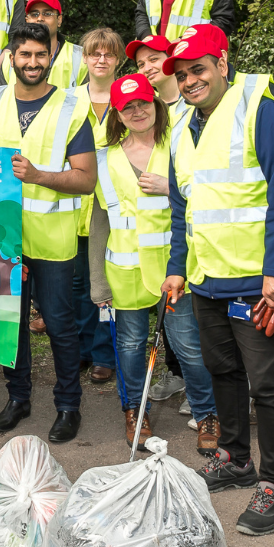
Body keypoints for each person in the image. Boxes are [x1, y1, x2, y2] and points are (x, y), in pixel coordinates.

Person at [163, 24, 274, 536]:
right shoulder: (182, 127)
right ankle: (235, 458)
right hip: (207, 279)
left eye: (198, 69)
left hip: (258, 282)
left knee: (266, 385)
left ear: (222, 63)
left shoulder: (261, 107)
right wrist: (178, 267)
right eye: (181, 75)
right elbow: (183, 206)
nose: (190, 81)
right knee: (223, 373)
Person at [0, 23, 97, 443]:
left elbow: (86, 180)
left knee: (60, 324)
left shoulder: (71, 107)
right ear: (10, 58)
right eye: (24, 54)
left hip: (53, 237)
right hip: (5, 241)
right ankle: (18, 398)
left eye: (40, 55)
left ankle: (68, 406)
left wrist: (39, 175)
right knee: (12, 323)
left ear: (51, 58)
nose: (32, 63)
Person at [89, 73, 219, 453]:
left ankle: (206, 411)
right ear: (117, 111)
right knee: (130, 347)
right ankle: (134, 410)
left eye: (143, 102)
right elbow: (100, 222)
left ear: (156, 103)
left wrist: (172, 187)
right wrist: (98, 281)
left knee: (189, 347)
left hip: (173, 269)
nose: (137, 110)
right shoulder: (105, 158)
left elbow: (207, 195)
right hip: (125, 271)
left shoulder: (179, 145)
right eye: (127, 106)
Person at [125, 32, 188, 399]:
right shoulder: (150, 110)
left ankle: (213, 393)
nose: (148, 67)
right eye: (141, 63)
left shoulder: (193, 104)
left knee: (196, 328)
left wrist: (172, 186)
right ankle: (178, 375)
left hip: (195, 233)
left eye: (154, 59)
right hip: (158, 244)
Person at [71, 28, 121, 385]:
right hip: (73, 206)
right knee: (77, 285)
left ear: (118, 60)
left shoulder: (131, 98)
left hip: (114, 209)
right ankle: (82, 349)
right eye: (94, 54)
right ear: (84, 58)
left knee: (108, 286)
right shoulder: (67, 100)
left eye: (108, 54)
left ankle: (105, 354)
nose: (101, 60)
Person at [3, 0, 86, 90]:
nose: (40, 18)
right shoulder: (8, 60)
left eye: (47, 14)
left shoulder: (81, 56)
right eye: (34, 14)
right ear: (27, 20)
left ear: (59, 20)